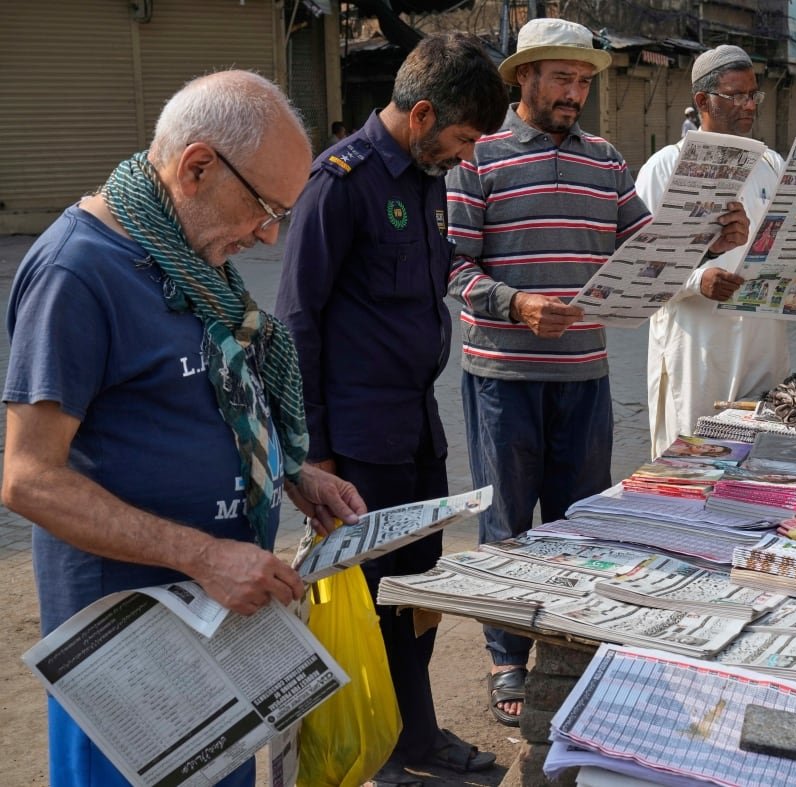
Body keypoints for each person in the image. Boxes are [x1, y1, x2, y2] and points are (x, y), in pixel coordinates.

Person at [1, 70, 367, 787]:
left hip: (220, 630)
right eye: (265, 207)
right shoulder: (77, 271)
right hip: (127, 659)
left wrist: (295, 473)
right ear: (197, 167)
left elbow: (206, 396)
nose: (268, 234)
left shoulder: (185, 258)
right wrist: (204, 553)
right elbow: (26, 478)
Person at [445, 17, 749, 727]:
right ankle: (504, 659)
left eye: (583, 81)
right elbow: (451, 266)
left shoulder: (606, 161)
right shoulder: (478, 159)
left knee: (582, 526)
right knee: (506, 524)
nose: (574, 92)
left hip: (585, 375)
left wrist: (710, 237)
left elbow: (649, 249)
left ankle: (570, 646)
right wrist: (515, 303)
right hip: (502, 376)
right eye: (562, 78)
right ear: (523, 77)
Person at [276, 34, 507, 785]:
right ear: (424, 114)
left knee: (417, 587)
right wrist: (314, 451)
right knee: (370, 597)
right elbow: (297, 318)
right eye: (464, 138)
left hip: (415, 427)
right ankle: (379, 746)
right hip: (357, 440)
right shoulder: (339, 181)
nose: (467, 155)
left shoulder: (425, 178)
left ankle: (415, 732)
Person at [634, 44, 796, 457]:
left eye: (753, 95)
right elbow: (638, 270)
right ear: (702, 100)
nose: (749, 105)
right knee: (693, 465)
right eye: (737, 95)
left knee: (761, 465)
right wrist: (698, 280)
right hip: (697, 353)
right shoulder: (664, 168)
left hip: (765, 349)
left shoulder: (770, 164)